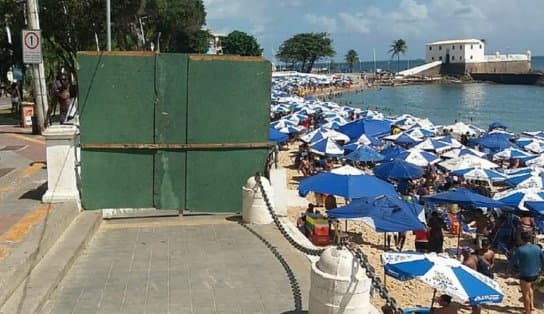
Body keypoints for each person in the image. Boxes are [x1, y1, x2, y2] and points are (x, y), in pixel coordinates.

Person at [512, 231, 544, 314]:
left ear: (521, 238)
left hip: (525, 275)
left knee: (525, 294)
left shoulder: (520, 249)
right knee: (530, 288)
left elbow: (515, 263)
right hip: (536, 274)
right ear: (530, 238)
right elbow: (543, 260)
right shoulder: (537, 248)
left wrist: (517, 269)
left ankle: (527, 311)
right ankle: (532, 306)